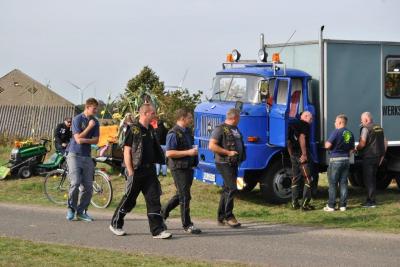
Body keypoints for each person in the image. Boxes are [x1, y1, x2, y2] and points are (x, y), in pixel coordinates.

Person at [109, 104, 172, 239]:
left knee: (154, 200)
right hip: (136, 171)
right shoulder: (134, 129)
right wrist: (130, 171)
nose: (155, 115)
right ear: (145, 114)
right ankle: (116, 224)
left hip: (150, 171)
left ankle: (157, 230)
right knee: (130, 200)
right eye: (153, 113)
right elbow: (127, 151)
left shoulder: (151, 129)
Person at [161, 109, 201, 234]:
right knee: (185, 196)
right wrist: (188, 152)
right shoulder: (173, 133)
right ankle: (187, 225)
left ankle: (161, 214)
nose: (191, 120)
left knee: (181, 195)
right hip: (178, 168)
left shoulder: (187, 132)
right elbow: (169, 153)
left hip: (188, 167)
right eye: (189, 118)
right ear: (182, 118)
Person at [209, 108, 246, 227]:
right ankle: (229, 216)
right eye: (239, 117)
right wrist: (228, 153)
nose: (240, 119)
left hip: (233, 163)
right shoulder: (220, 129)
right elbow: (212, 145)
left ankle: (221, 217)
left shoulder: (235, 129)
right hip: (224, 162)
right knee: (232, 188)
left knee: (226, 189)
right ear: (235, 118)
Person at [66, 98, 100, 222]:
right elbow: (77, 139)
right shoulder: (77, 119)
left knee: (88, 187)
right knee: (75, 183)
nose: (96, 111)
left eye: (97, 108)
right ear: (87, 107)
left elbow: (95, 140)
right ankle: (71, 209)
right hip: (74, 154)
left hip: (87, 156)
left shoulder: (96, 122)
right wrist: (88, 128)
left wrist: (84, 139)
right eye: (94, 108)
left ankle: (81, 212)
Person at [355, 112, 387, 208]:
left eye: (362, 119)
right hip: (377, 157)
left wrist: (356, 148)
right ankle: (371, 200)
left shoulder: (366, 129)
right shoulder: (379, 127)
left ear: (366, 119)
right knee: (372, 179)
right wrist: (382, 156)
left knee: (369, 180)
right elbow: (385, 141)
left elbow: (363, 143)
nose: (361, 121)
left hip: (369, 157)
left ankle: (371, 202)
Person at [323, 114, 355, 212]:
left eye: (335, 121)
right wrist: (347, 155)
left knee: (333, 183)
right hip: (346, 160)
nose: (334, 123)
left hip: (335, 160)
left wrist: (325, 144)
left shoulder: (336, 132)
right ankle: (342, 206)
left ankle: (331, 206)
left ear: (340, 122)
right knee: (343, 183)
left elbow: (327, 145)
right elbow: (352, 149)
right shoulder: (350, 133)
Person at [287, 111, 314, 211]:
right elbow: (302, 138)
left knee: (295, 178)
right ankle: (305, 205)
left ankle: (294, 203)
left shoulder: (292, 124)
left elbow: (288, 141)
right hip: (300, 155)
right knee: (308, 178)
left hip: (293, 155)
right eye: (311, 119)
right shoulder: (305, 125)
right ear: (306, 117)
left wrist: (291, 155)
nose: (311, 121)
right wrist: (304, 154)